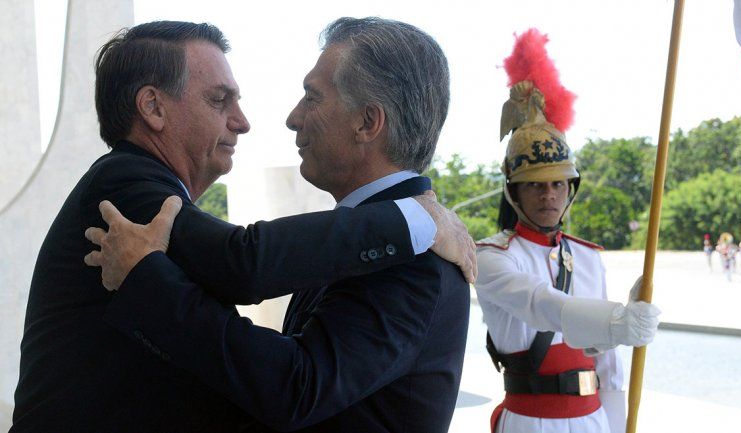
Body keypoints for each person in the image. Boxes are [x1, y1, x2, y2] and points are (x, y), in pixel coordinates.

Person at [12, 20, 475, 432]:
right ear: (152, 107)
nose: (250, 122)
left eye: (312, 97)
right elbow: (241, 263)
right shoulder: (127, 186)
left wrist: (145, 281)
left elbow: (290, 388)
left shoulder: (413, 261)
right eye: (220, 100)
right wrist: (416, 219)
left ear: (367, 122)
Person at [473, 29, 660, 433]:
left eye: (558, 183)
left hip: (593, 419)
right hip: (530, 420)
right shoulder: (491, 257)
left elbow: (606, 364)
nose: (549, 195)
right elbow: (541, 304)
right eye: (535, 185)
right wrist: (615, 322)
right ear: (513, 191)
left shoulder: (587, 256)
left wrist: (616, 423)